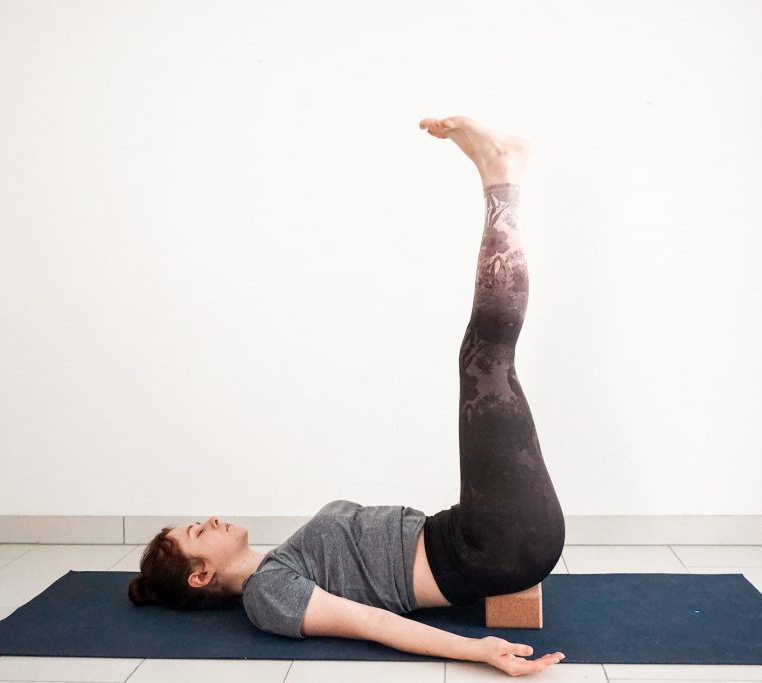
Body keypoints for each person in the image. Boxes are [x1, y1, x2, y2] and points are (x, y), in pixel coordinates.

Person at [129, 116, 567, 676]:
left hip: (484, 533)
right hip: (496, 546)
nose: (209, 519)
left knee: (486, 359)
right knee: (485, 359)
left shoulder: (285, 559)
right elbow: (373, 624)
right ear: (201, 575)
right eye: (196, 532)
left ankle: (502, 173)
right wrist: (477, 651)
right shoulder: (270, 596)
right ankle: (501, 175)